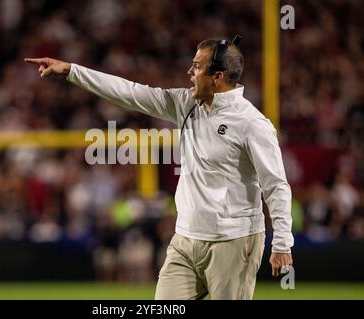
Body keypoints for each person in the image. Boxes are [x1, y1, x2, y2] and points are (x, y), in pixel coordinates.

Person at [24, 35, 294, 300]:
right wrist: (72, 71)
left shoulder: (252, 124)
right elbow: (130, 92)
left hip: (233, 242)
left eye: (197, 66)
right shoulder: (187, 104)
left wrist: (282, 242)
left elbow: (275, 185)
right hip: (185, 240)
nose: (190, 72)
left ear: (218, 77)